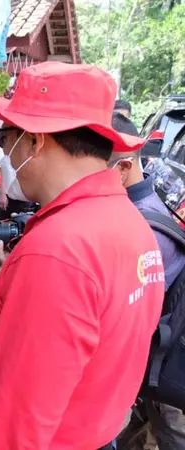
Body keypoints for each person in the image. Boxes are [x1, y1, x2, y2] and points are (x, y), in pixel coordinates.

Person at [0, 62, 165, 450]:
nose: (8, 155)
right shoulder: (132, 224)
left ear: (35, 141)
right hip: (92, 432)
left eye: (7, 139)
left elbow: (13, 424)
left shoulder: (60, 250)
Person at [110, 112, 185, 450]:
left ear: (123, 166)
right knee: (141, 426)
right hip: (156, 356)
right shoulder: (142, 208)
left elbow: (129, 311)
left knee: (171, 432)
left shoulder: (141, 229)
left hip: (165, 359)